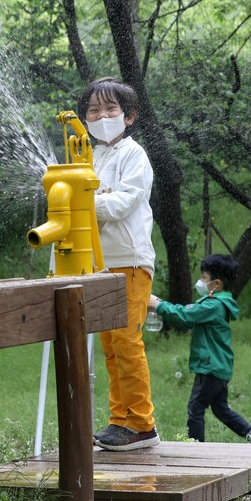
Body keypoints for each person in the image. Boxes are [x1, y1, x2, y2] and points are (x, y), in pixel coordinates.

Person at [81, 77, 160, 451]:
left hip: (130, 261)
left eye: (111, 109)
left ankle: (142, 425)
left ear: (129, 116)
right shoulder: (89, 157)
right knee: (110, 347)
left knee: (127, 343)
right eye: (94, 110)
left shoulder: (134, 155)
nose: (102, 116)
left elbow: (122, 203)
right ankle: (120, 421)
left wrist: (85, 203)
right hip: (98, 265)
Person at [148, 254, 251, 444]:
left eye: (204, 277)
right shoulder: (217, 304)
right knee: (221, 409)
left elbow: (185, 316)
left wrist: (158, 305)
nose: (200, 281)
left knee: (195, 407)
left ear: (216, 284)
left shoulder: (213, 306)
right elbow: (188, 311)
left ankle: (196, 448)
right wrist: (161, 304)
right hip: (219, 366)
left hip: (210, 366)